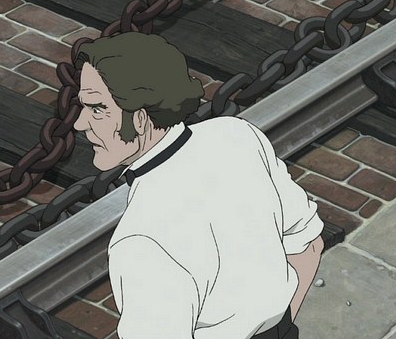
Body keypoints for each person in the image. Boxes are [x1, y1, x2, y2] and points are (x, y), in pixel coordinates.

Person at [72, 32, 325, 339]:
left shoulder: (140, 240)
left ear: (139, 119)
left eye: (97, 108)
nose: (80, 123)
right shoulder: (237, 135)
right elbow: (308, 245)